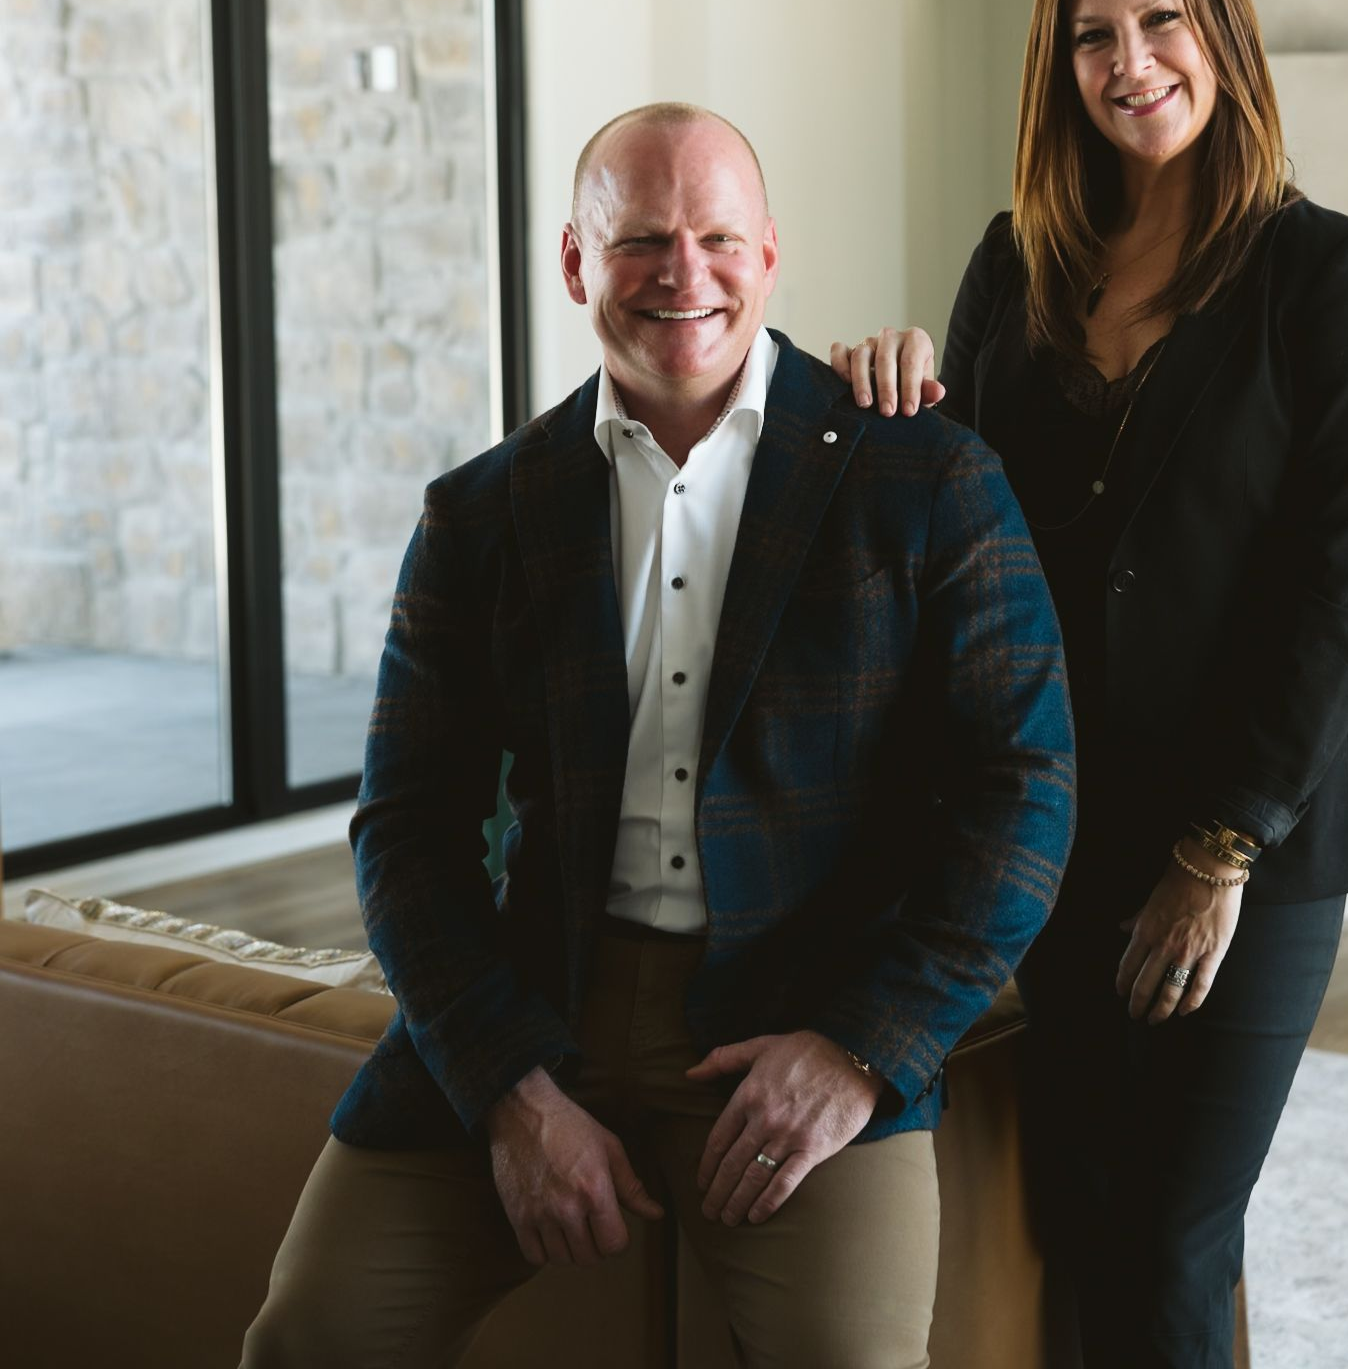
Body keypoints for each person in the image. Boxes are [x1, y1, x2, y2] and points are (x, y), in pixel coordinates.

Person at [242, 102, 1076, 1369]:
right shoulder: (481, 515)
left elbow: (1031, 793)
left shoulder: (927, 480)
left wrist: (862, 1051)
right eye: (639, 242)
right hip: (540, 1002)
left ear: (770, 254)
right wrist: (511, 1090)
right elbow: (405, 830)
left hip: (809, 1013)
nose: (684, 275)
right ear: (577, 263)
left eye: (718, 238)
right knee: (311, 1335)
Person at [832, 0, 1348, 1368]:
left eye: (1159, 21)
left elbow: (1340, 589)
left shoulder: (1325, 277)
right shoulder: (1010, 264)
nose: (1128, 60)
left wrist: (1215, 851)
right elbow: (946, 536)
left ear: (1218, 36)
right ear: (1057, 67)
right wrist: (877, 413)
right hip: (1047, 828)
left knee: (1172, 1231)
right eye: (1091, 34)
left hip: (1251, 848)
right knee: (1082, 1215)